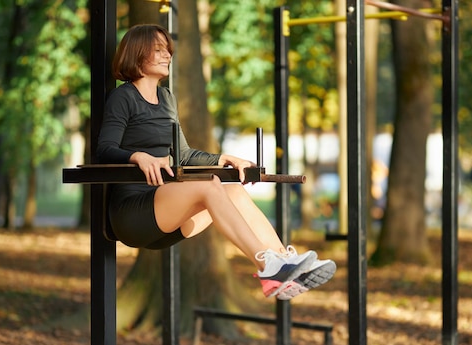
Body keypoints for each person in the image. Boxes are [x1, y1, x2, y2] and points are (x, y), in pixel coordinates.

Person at [97, 24, 335, 301]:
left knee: (232, 188)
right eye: (158, 49)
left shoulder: (166, 98)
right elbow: (105, 149)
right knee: (211, 186)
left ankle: (282, 263)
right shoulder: (123, 97)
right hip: (134, 213)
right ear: (137, 54)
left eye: (168, 50)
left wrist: (224, 158)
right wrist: (137, 155)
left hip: (167, 216)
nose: (167, 55)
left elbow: (183, 155)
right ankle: (268, 267)